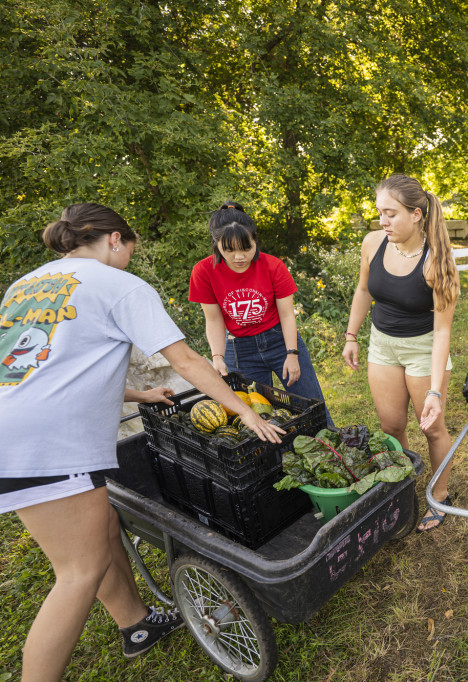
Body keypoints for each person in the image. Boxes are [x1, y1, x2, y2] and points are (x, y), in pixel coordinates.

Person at [0, 203, 282, 681]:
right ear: (115, 239)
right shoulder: (118, 284)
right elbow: (189, 360)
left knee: (105, 531)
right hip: (50, 442)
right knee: (77, 574)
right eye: (130, 247)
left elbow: (42, 368)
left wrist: (139, 393)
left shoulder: (26, 285)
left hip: (14, 431)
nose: (130, 257)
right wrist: (243, 409)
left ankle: (136, 625)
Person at [343, 175, 459, 532]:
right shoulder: (373, 242)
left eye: (391, 214)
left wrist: (436, 392)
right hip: (382, 344)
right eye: (380, 212)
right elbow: (364, 290)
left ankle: (439, 496)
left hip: (423, 348)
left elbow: (442, 332)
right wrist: (351, 335)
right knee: (391, 426)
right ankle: (402, 491)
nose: (383, 221)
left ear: (417, 214)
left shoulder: (438, 261)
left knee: (433, 428)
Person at [189, 201, 333, 426]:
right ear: (216, 245)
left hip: (279, 339)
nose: (239, 257)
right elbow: (214, 319)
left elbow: (287, 315)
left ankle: (332, 449)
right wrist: (217, 357)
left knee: (312, 407)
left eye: (246, 248)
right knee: (256, 417)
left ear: (255, 240)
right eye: (230, 250)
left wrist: (292, 354)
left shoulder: (273, 266)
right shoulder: (203, 272)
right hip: (239, 349)